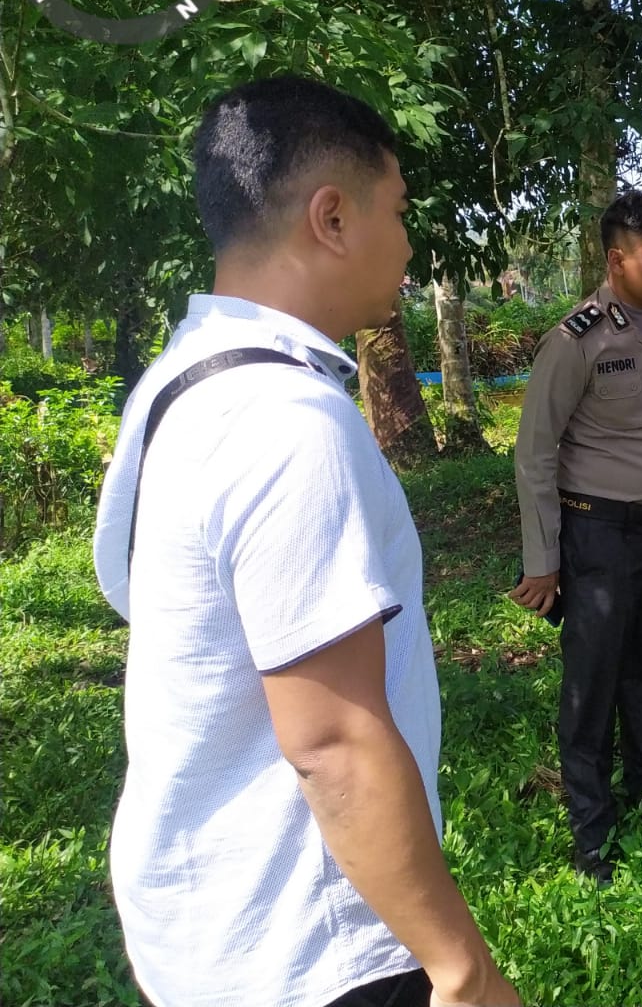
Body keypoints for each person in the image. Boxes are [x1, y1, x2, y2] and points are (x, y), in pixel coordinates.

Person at [92, 76, 519, 1007]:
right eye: (397, 211)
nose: (409, 245)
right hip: (308, 943)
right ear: (331, 217)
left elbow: (138, 597)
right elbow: (332, 742)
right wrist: (463, 970)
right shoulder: (288, 422)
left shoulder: (177, 382)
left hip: (201, 921)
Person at [509, 190, 642, 885]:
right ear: (617, 260)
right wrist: (543, 560)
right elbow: (534, 453)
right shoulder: (578, 340)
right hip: (596, 531)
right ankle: (592, 826)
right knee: (594, 679)